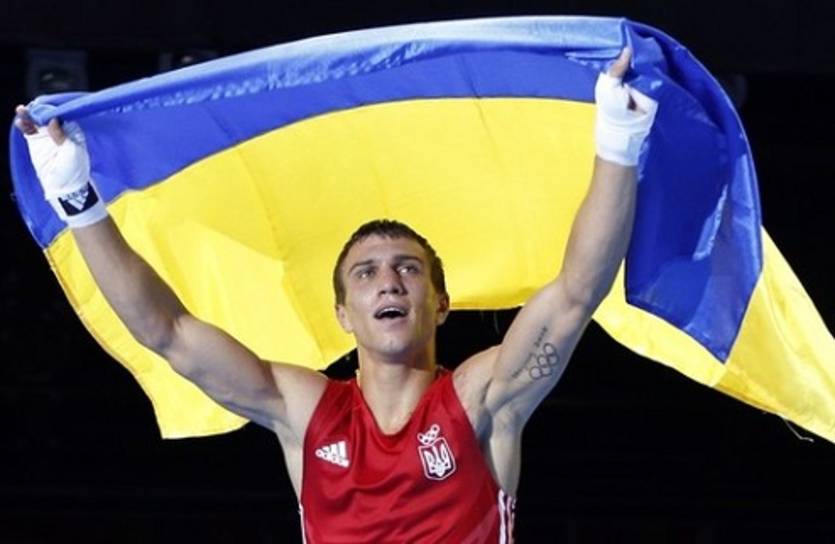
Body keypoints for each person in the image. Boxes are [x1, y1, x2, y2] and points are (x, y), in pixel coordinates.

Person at [15, 47, 656, 542]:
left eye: (408, 269)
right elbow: (169, 333)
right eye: (366, 273)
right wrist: (77, 197)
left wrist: (617, 142)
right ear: (343, 315)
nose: (389, 281)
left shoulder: (480, 400)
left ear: (441, 303)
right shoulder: (303, 411)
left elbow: (576, 292)